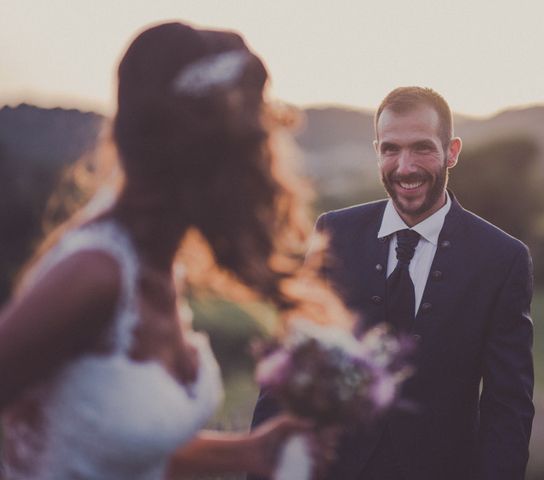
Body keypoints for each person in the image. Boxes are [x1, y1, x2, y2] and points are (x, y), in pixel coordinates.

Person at [0, 22, 346, 480]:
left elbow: (109, 446)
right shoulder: (93, 274)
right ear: (205, 158)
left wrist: (247, 455)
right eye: (255, 149)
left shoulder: (158, 264)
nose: (270, 172)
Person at [251, 86, 535, 479]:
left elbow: (508, 406)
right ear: (377, 151)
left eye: (422, 148)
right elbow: (289, 373)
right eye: (390, 149)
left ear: (452, 151)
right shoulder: (333, 233)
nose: (405, 167)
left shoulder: (502, 259)